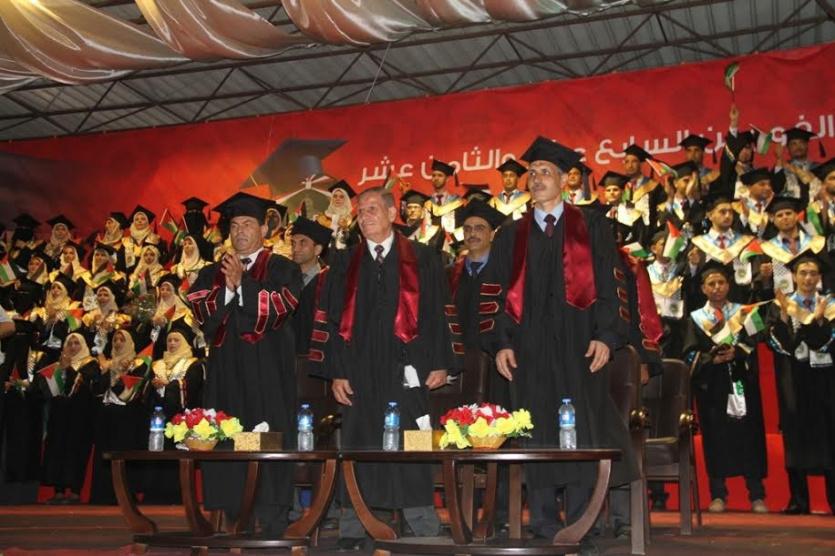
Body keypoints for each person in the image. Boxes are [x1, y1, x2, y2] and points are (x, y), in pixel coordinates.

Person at [480, 136, 636, 551]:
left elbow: (612, 284)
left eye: (544, 172)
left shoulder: (592, 226)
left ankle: (582, 523)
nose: (535, 179)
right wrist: (501, 343)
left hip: (580, 345)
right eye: (531, 173)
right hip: (528, 348)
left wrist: (606, 336)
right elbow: (495, 292)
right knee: (537, 430)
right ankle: (544, 522)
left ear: (566, 180)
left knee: (582, 429)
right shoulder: (511, 234)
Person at [312, 186, 454, 551]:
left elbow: (439, 312)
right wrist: (337, 372)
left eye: (373, 209)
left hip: (410, 365)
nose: (364, 216)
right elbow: (331, 320)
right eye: (361, 211)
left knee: (414, 441)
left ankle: (421, 521)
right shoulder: (345, 261)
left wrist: (441, 363)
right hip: (359, 369)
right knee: (359, 442)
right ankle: (354, 525)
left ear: (393, 214)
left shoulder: (422, 257)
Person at [189, 191, 302, 534]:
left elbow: (281, 307)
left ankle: (271, 517)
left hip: (268, 372)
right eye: (235, 225)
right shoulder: (211, 273)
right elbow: (203, 315)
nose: (240, 231)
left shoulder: (283, 268)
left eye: (248, 224)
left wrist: (243, 284)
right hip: (225, 374)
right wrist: (227, 288)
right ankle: (231, 514)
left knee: (266, 436)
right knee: (227, 434)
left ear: (264, 229)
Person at [683, 261, 768, 514]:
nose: (717, 287)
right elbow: (689, 354)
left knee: (750, 437)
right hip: (713, 387)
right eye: (711, 283)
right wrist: (712, 359)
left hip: (742, 381)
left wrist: (737, 352)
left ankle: (757, 495)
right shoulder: (695, 319)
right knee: (715, 438)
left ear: (729, 285)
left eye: (721, 282)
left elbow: (759, 337)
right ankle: (718, 494)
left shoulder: (745, 312)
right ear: (703, 288)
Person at [766, 253, 835, 515]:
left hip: (825, 379)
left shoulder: (829, 305)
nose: (808, 278)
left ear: (819, 277)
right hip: (793, 379)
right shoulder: (781, 305)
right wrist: (785, 318)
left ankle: (833, 499)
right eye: (803, 273)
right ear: (793, 276)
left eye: (813, 273)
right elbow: (778, 344)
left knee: (829, 435)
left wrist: (818, 320)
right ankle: (799, 500)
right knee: (795, 436)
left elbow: (826, 342)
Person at [89, 328, 151, 505]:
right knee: (106, 453)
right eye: (115, 340)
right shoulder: (107, 364)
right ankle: (104, 493)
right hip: (107, 415)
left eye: (122, 340)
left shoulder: (138, 364)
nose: (117, 343)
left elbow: (135, 390)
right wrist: (106, 374)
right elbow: (97, 390)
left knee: (125, 452)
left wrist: (123, 375)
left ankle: (126, 494)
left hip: (128, 416)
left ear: (130, 343)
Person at [39, 332, 102, 504]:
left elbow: (88, 386)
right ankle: (58, 491)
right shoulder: (59, 364)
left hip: (80, 417)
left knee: (76, 451)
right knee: (57, 449)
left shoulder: (90, 364)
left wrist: (68, 369)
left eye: (76, 343)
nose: (73, 347)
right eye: (70, 343)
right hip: (59, 416)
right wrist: (60, 369)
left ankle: (75, 492)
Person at [289, 216, 333, 357]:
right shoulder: (284, 280)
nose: (295, 249)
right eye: (293, 243)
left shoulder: (329, 282)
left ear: (317, 249)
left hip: (317, 357)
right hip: (286, 357)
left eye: (303, 243)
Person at [427, 159, 462, 235]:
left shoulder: (456, 202)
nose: (436, 178)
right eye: (434, 175)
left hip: (451, 239)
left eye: (440, 175)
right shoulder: (426, 202)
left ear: (447, 179)